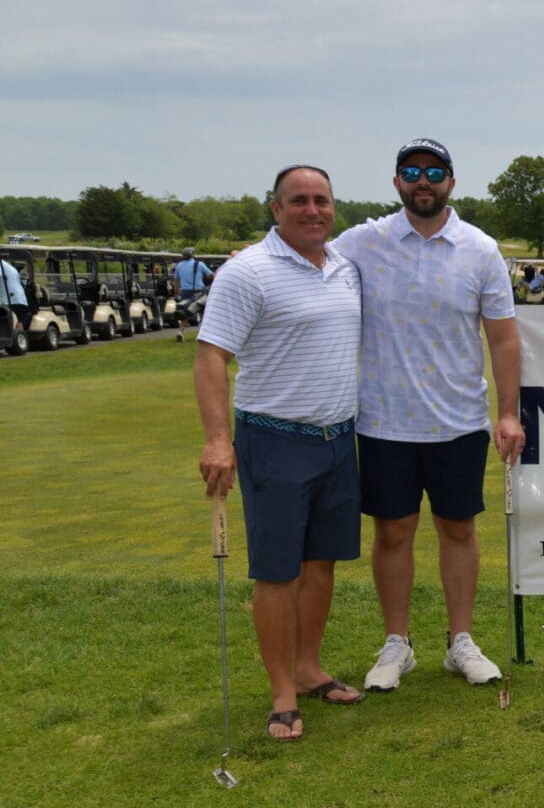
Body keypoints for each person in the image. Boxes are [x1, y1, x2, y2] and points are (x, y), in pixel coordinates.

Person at [332, 138, 524, 695]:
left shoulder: (480, 249)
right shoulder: (362, 243)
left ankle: (460, 641)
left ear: (451, 183)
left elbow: (504, 340)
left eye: (434, 172)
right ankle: (398, 643)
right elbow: (307, 263)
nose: (423, 181)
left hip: (458, 420)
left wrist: (507, 414)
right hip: (383, 421)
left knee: (457, 529)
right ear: (396, 183)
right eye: (411, 171)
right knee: (393, 532)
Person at [193, 165, 366, 742]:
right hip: (273, 438)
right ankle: (282, 693)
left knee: (322, 563)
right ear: (275, 207)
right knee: (277, 571)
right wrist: (219, 440)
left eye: (321, 200)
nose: (312, 210)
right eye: (299, 201)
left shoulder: (344, 267)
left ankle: (308, 667)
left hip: (338, 439)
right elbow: (211, 357)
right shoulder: (248, 272)